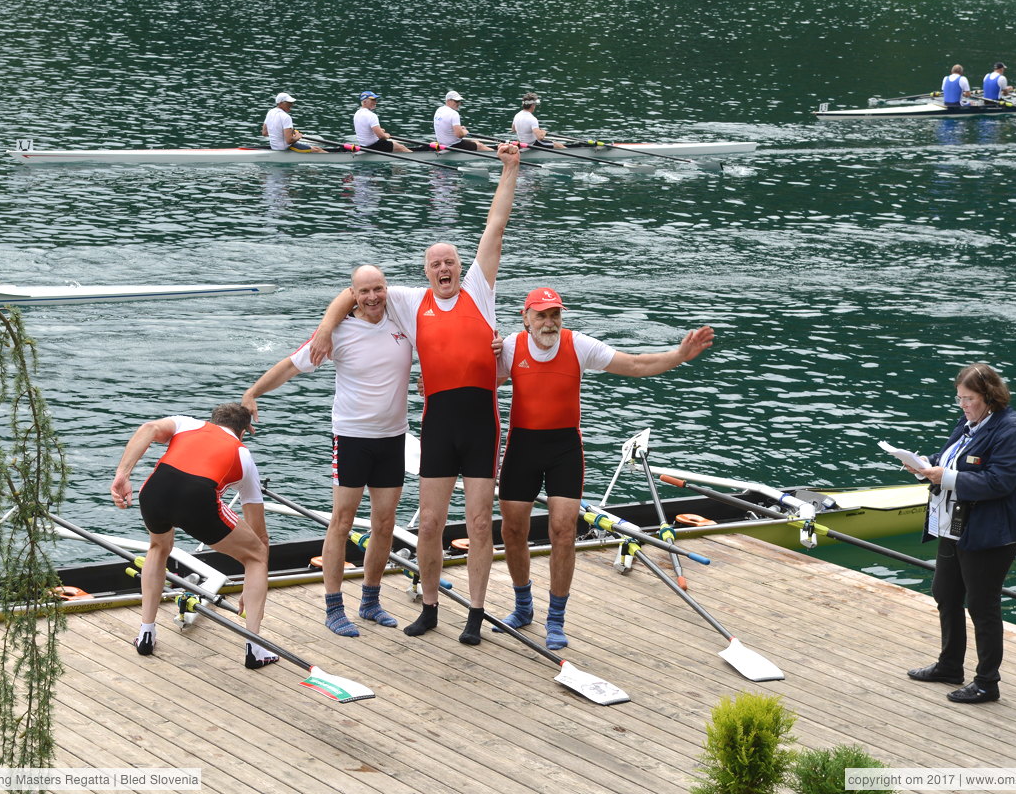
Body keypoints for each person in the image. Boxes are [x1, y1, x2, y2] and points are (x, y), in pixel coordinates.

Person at [311, 143, 521, 644]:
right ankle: (428, 607)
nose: (444, 269)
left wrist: (509, 169)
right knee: (428, 523)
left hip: (481, 423)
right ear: (426, 272)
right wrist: (324, 330)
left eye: (450, 261)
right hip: (438, 423)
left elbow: (495, 225)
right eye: (435, 264)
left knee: (477, 525)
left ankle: (474, 613)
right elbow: (356, 290)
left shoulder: (479, 289)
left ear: (459, 266)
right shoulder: (411, 301)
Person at [495, 288, 714, 649]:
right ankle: (522, 607)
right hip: (522, 448)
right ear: (526, 317)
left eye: (555, 315)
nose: (549, 322)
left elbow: (636, 365)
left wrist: (680, 355)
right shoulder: (511, 348)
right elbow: (478, 383)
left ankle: (556, 620)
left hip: (564, 448)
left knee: (563, 531)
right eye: (541, 315)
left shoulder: (578, 345)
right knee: (514, 531)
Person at [242, 264, 412, 637]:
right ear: (352, 294)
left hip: (393, 438)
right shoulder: (336, 333)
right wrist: (252, 393)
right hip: (351, 438)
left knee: (384, 524)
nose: (372, 298)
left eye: (378, 289)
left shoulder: (404, 320)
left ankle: (370, 601)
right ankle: (334, 607)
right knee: (342, 522)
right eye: (364, 291)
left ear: (387, 289)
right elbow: (290, 366)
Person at [110, 403, 279, 669]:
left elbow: (148, 428)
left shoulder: (187, 423)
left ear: (212, 420)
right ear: (246, 430)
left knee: (158, 547)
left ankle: (146, 633)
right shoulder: (243, 455)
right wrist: (255, 578)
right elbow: (260, 532)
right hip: (198, 498)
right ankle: (255, 649)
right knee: (256, 556)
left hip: (154, 490)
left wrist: (122, 474)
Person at [903, 363, 1016, 704]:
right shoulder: (969, 422)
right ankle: (949, 665)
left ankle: (987, 682)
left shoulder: (1014, 429)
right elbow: (950, 459)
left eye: (968, 399)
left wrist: (942, 476)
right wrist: (922, 465)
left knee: (982, 604)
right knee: (945, 592)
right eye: (959, 398)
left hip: (994, 531)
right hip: (955, 524)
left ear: (989, 396)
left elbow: (999, 482)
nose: (962, 405)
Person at [261, 92, 326, 153]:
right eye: (288, 102)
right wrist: (298, 136)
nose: (291, 104)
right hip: (284, 148)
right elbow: (289, 141)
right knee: (317, 149)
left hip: (274, 146)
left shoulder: (270, 112)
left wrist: (286, 134)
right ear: (280, 103)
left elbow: (264, 133)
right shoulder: (286, 117)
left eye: (291, 102)